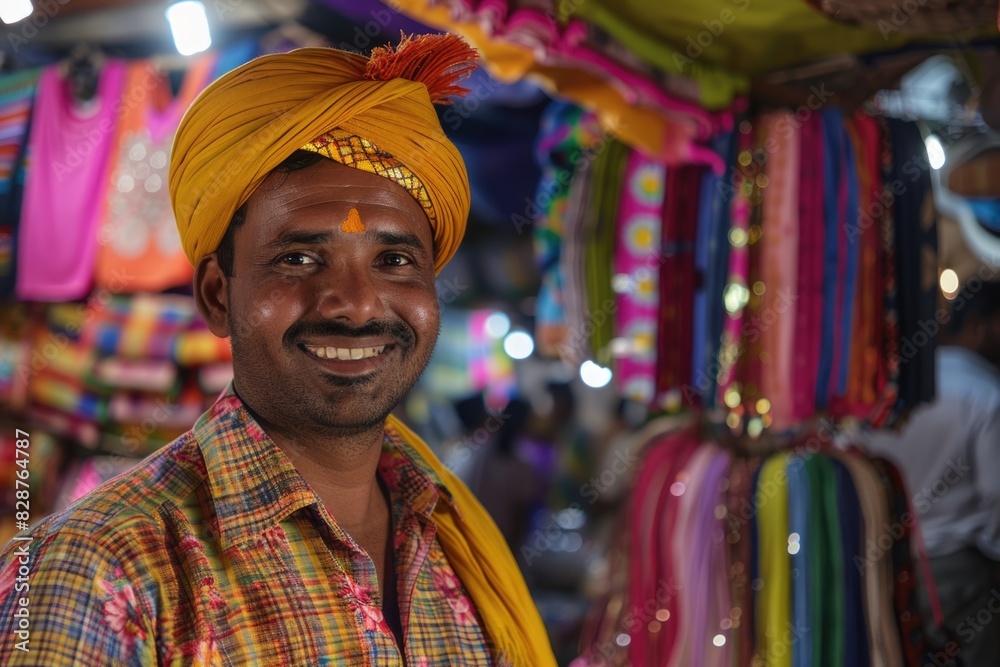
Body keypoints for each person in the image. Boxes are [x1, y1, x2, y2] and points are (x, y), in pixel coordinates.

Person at [0, 35, 555, 666]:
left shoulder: (452, 534)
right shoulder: (94, 571)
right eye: (299, 259)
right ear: (217, 295)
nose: (357, 305)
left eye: (395, 260)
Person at [862, 279, 1000, 667]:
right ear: (976, 326)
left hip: (886, 565)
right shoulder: (985, 395)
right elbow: (996, 495)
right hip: (959, 573)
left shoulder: (893, 389)